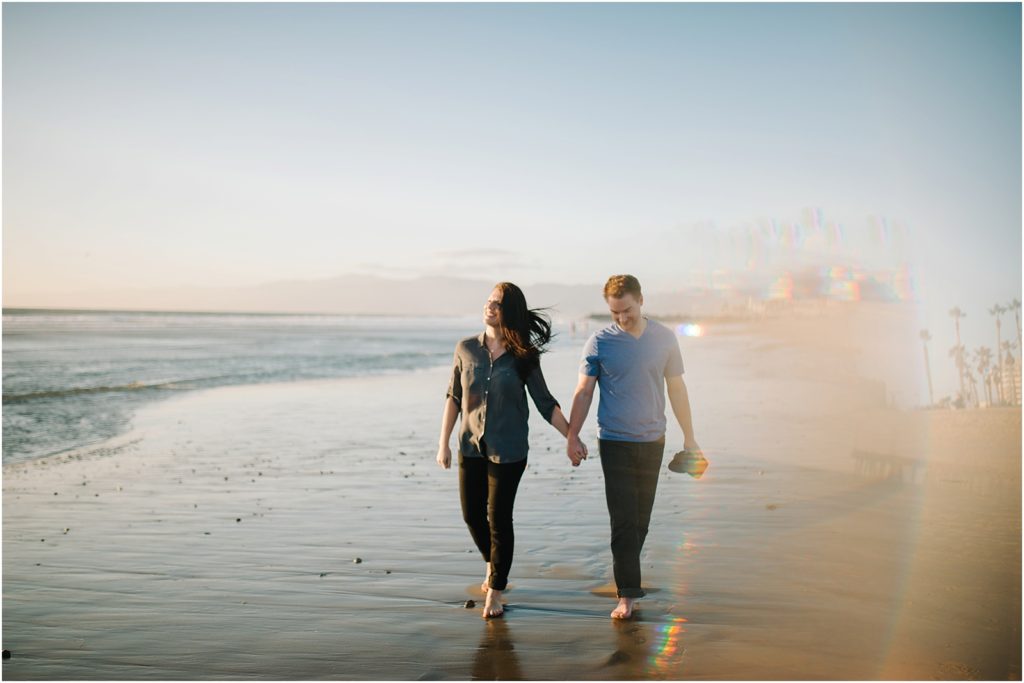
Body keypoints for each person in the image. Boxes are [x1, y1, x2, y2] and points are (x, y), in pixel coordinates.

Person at [436, 282, 579, 619]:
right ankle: (492, 564)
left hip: (510, 450)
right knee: (472, 515)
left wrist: (572, 437)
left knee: (499, 519)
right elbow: (453, 397)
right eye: (489, 301)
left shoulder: (523, 356)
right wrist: (442, 442)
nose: (490, 307)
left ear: (508, 312)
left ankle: (496, 590)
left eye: (498, 304)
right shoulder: (465, 349)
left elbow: (545, 404)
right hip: (469, 445)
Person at [566, 274, 701, 619]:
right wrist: (572, 435)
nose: (622, 318)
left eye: (626, 310)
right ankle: (627, 593)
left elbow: (677, 390)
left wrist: (690, 438)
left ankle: (626, 570)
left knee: (641, 519)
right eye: (614, 313)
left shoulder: (665, 339)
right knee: (624, 519)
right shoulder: (599, 342)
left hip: (653, 439)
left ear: (641, 300)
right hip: (614, 440)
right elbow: (583, 392)